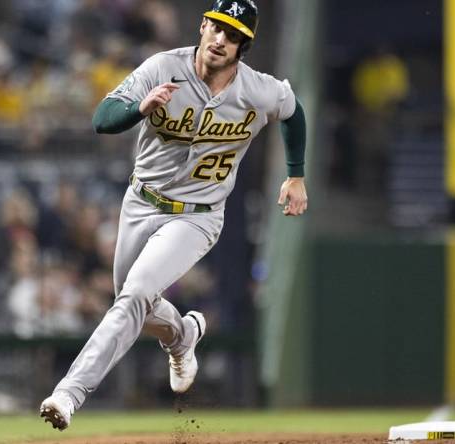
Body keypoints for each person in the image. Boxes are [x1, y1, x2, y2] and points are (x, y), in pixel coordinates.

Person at [40, 0, 307, 430]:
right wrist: (138, 109)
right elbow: (102, 119)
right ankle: (183, 336)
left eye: (234, 36)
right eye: (218, 28)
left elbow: (294, 113)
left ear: (244, 47)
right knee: (135, 305)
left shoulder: (259, 90)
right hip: (142, 202)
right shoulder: (163, 67)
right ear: (203, 26)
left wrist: (295, 175)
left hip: (197, 216)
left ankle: (68, 394)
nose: (222, 40)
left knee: (135, 295)